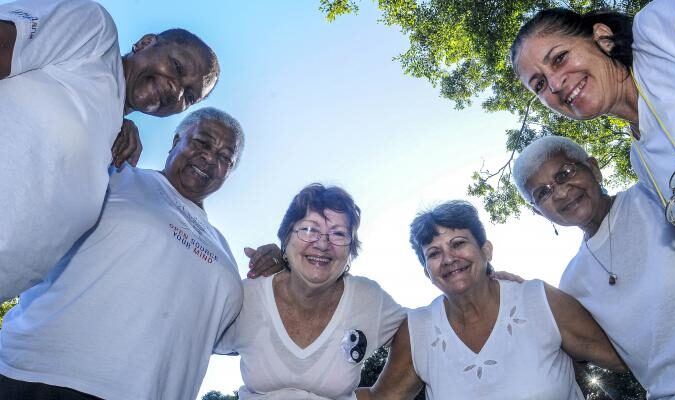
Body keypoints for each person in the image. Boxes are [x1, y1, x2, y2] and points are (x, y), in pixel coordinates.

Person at [0, 108, 264, 400]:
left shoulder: (224, 251)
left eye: (226, 157)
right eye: (202, 142)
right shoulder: (116, 175)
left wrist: (283, 274)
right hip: (41, 377)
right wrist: (109, 122)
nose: (211, 158)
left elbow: (231, 337)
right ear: (176, 139)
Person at [0, 0, 220, 301]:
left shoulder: (114, 149)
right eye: (177, 67)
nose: (177, 90)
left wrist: (120, 121)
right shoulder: (94, 30)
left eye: (190, 96)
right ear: (145, 43)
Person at [355, 200, 624, 400]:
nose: (448, 258)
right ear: (427, 272)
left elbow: (627, 356)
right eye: (434, 253)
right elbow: (381, 398)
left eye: (458, 243)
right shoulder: (417, 330)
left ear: (486, 251)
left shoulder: (539, 300)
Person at [512, 135, 675, 399]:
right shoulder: (572, 282)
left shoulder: (654, 197)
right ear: (538, 211)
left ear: (594, 168)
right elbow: (621, 359)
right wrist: (521, 294)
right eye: (543, 192)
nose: (561, 192)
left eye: (565, 174)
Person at [510, 0, 675, 245]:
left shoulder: (657, 36)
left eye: (559, 58)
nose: (555, 84)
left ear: (602, 38)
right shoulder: (642, 163)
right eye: (540, 84)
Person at [217, 184, 405, 400]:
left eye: (338, 234)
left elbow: (417, 332)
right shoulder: (246, 297)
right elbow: (190, 336)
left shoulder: (368, 299)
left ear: (351, 250)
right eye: (309, 229)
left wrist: (383, 395)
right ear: (286, 238)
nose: (323, 244)